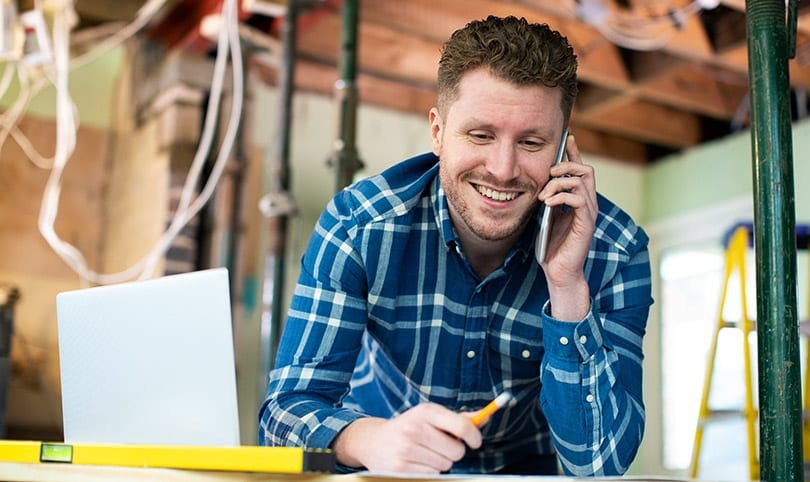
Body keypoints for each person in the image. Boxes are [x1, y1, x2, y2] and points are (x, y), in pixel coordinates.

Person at [258, 15, 653, 477]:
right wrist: (368, 438)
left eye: (531, 142)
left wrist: (567, 286)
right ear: (438, 132)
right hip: (387, 463)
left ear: (564, 151)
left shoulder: (614, 251)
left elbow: (600, 466)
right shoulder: (358, 225)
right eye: (480, 135)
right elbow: (283, 415)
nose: (503, 169)